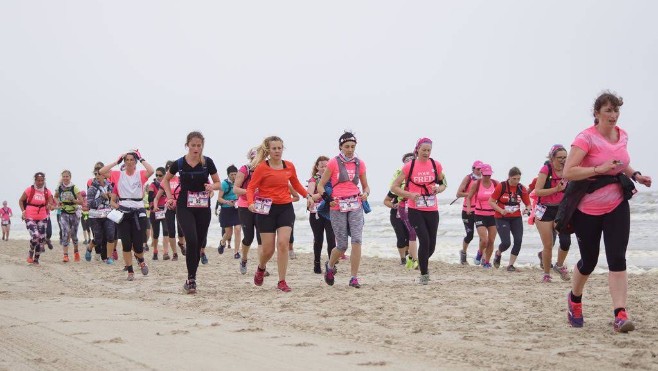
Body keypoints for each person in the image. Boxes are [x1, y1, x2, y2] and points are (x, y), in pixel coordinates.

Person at [563, 91, 651, 333]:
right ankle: (575, 300)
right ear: (597, 113)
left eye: (616, 111)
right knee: (589, 261)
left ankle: (620, 314)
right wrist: (598, 168)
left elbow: (621, 162)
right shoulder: (585, 139)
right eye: (608, 111)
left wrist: (635, 175)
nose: (613, 116)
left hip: (617, 205)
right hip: (587, 210)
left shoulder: (622, 135)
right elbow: (568, 172)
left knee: (617, 258)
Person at [246, 136, 310, 292]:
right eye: (274, 148)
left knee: (283, 244)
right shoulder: (262, 167)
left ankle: (282, 281)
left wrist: (307, 196)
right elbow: (250, 187)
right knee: (268, 250)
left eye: (279, 148)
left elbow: (296, 183)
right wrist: (250, 203)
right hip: (266, 210)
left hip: (285, 209)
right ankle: (261, 268)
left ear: (283, 149)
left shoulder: (289, 166)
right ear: (269, 150)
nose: (277, 151)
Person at [162, 132, 220, 294]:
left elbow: (218, 183)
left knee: (199, 242)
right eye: (193, 145)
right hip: (184, 206)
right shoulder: (179, 163)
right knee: (192, 240)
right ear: (187, 145)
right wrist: (169, 197)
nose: (196, 148)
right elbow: (165, 180)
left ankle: (191, 277)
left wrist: (211, 187)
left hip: (203, 207)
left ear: (202, 146)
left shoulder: (208, 162)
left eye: (199, 145)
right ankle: (191, 278)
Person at [317, 132, 370, 289]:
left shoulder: (359, 164)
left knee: (357, 240)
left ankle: (354, 277)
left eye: (352, 147)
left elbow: (366, 186)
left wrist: (366, 193)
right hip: (338, 206)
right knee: (342, 245)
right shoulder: (333, 163)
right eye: (346, 146)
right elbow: (321, 185)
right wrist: (328, 200)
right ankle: (330, 265)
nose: (350, 150)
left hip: (355, 204)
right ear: (340, 146)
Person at [391, 138, 445, 284]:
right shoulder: (410, 166)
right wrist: (409, 195)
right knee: (424, 240)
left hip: (432, 209)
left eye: (429, 150)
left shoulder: (436, 164)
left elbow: (443, 183)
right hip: (415, 209)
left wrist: (438, 189)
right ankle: (424, 275)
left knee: (432, 244)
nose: (426, 153)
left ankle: (421, 263)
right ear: (417, 150)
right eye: (424, 150)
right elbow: (394, 187)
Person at [100, 150, 154, 280]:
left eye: (132, 160)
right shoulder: (118, 175)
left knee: (138, 244)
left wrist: (141, 158)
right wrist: (116, 161)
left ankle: (141, 260)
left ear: (135, 162)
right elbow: (102, 171)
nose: (129, 162)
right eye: (127, 160)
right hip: (124, 212)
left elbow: (151, 171)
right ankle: (130, 271)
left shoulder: (140, 174)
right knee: (126, 243)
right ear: (124, 162)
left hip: (138, 211)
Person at [534, 145, 572, 282]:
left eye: (565, 158)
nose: (563, 160)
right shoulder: (546, 169)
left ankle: (559, 265)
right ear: (552, 158)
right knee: (548, 245)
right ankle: (546, 274)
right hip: (544, 209)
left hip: (561, 209)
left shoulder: (569, 170)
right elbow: (537, 191)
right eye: (560, 158)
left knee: (566, 241)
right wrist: (556, 189)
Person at [488, 167, 531, 272]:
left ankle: (510, 265)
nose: (516, 181)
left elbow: (528, 204)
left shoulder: (521, 188)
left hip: (516, 217)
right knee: (506, 242)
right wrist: (501, 210)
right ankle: (498, 253)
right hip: (501, 217)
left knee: (518, 241)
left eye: (518, 179)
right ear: (509, 177)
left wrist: (527, 209)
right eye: (514, 179)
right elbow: (491, 201)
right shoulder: (501, 186)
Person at [18, 172, 55, 264]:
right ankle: (31, 251)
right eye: (38, 180)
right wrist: (23, 211)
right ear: (35, 180)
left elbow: (51, 203)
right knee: (35, 236)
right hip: (30, 216)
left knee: (41, 239)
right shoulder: (29, 190)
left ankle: (36, 259)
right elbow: (21, 200)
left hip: (42, 217)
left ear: (44, 181)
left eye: (42, 180)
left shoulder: (47, 191)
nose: (40, 182)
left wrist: (50, 206)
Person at [307, 156, 336, 273]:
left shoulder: (334, 179)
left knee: (331, 239)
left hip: (331, 212)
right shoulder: (314, 179)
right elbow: (310, 196)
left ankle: (331, 265)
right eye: (322, 166)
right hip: (316, 213)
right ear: (317, 167)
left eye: (326, 166)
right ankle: (317, 264)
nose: (324, 168)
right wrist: (324, 193)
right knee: (318, 239)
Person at [465, 164, 498, 268]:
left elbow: (501, 197)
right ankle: (480, 253)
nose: (487, 177)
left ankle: (487, 262)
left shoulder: (495, 183)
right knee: (484, 240)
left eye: (489, 175)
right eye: (485, 175)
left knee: (491, 241)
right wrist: (469, 208)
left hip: (493, 215)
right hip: (479, 214)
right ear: (482, 173)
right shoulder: (477, 183)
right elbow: (469, 197)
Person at [153, 161, 184, 260]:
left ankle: (182, 244)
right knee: (171, 231)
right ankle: (175, 253)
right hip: (169, 207)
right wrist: (155, 206)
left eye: (172, 168)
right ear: (166, 170)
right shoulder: (164, 182)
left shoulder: (180, 179)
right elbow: (156, 198)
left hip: (180, 207)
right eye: (168, 168)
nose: (170, 170)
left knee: (181, 230)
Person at [86, 169, 117, 264]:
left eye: (99, 174)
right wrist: (101, 197)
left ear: (104, 175)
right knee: (98, 239)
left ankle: (109, 257)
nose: (97, 176)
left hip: (108, 215)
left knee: (111, 236)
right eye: (95, 174)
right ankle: (90, 247)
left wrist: (112, 197)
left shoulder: (111, 186)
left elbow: (116, 199)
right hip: (95, 216)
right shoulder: (92, 188)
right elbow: (91, 204)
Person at [455, 161, 483, 264]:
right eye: (478, 169)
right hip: (468, 210)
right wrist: (471, 193)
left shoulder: (484, 179)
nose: (480, 171)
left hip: (480, 210)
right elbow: (458, 193)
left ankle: (481, 256)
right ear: (473, 168)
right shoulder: (468, 178)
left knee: (483, 236)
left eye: (481, 169)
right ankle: (463, 253)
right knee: (470, 235)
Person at [54, 170, 84, 262]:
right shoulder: (59, 188)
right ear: (61, 177)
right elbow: (55, 197)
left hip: (74, 213)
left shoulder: (74, 188)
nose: (65, 178)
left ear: (70, 177)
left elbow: (81, 201)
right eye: (64, 176)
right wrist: (58, 202)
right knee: (65, 232)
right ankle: (65, 255)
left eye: (67, 176)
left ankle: (76, 252)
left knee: (74, 235)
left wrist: (73, 200)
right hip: (63, 212)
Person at [217, 165, 241, 259]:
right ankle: (222, 242)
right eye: (232, 174)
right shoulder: (224, 184)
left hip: (237, 208)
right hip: (226, 209)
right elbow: (219, 198)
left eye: (235, 174)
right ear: (228, 175)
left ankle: (236, 252)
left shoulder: (239, 182)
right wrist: (227, 202)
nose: (234, 176)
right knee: (228, 233)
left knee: (238, 229)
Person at [148, 167, 169, 260]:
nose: (158, 177)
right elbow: (150, 198)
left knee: (166, 231)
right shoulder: (153, 185)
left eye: (160, 175)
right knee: (155, 234)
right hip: (155, 211)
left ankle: (165, 252)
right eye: (156, 175)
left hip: (165, 210)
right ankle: (155, 251)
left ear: (164, 175)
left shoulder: (167, 184)